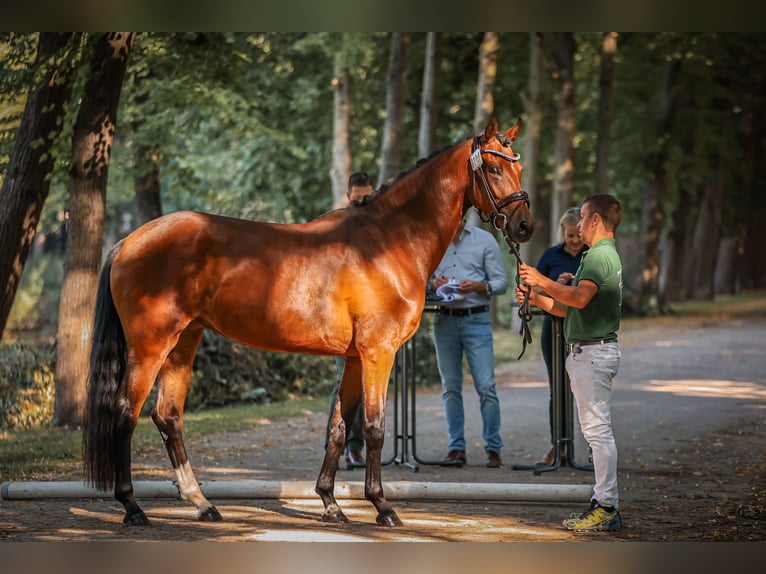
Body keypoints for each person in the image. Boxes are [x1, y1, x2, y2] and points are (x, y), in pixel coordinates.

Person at [516, 194, 623, 532]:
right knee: (596, 431)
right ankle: (603, 502)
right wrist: (536, 297)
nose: (577, 225)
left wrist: (540, 280)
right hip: (588, 351)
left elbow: (577, 297)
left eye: (582, 219)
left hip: (593, 354)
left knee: (597, 432)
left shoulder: (596, 258)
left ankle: (606, 504)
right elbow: (568, 308)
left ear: (594, 220)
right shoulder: (601, 256)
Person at [428, 219, 508, 468]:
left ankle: (493, 448)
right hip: (444, 320)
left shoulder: (484, 240)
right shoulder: (433, 241)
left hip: (477, 320)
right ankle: (456, 448)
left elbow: (501, 283)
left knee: (486, 386)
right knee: (450, 386)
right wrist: (433, 282)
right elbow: (420, 276)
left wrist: (479, 286)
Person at [325, 171, 374, 468]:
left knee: (369, 384)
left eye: (366, 199)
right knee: (343, 381)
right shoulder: (333, 226)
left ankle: (356, 446)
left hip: (370, 317)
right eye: (357, 200)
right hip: (338, 317)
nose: (361, 205)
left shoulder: (378, 231)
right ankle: (335, 443)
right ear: (348, 197)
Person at [534, 207, 588, 466]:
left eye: (577, 235)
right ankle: (558, 446)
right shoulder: (550, 255)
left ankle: (590, 447)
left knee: (585, 390)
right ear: (562, 233)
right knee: (558, 389)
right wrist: (556, 282)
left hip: (583, 327)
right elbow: (535, 285)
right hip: (553, 327)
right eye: (569, 236)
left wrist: (576, 282)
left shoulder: (592, 256)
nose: (574, 241)